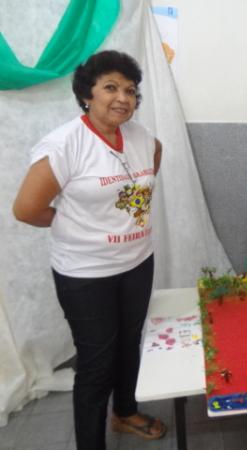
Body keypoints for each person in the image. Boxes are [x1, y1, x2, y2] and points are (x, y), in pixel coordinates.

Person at [13, 50, 166, 450]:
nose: (123, 98)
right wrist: (79, 225)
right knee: (97, 363)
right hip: (84, 274)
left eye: (131, 90)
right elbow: (27, 209)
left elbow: (152, 165)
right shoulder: (64, 144)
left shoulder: (142, 138)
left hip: (137, 262)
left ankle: (126, 412)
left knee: (129, 342)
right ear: (87, 94)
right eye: (110, 87)